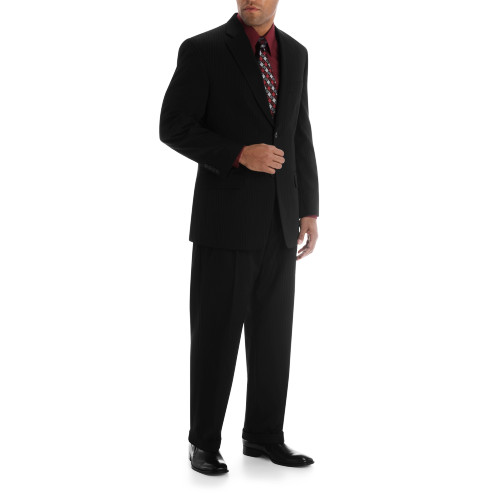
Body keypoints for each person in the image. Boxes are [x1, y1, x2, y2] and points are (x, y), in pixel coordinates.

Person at [159, 0, 319, 475]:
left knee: (274, 336)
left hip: (280, 219)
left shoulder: (297, 53)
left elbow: (300, 133)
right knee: (216, 335)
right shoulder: (203, 50)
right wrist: (237, 154)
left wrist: (309, 208)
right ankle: (203, 442)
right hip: (225, 221)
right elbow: (173, 126)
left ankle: (264, 435)